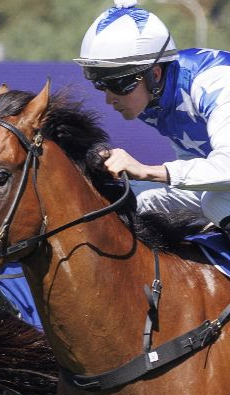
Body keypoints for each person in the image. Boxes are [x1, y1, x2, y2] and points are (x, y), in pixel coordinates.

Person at [75, 0, 230, 236]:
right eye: (100, 84)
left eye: (117, 84)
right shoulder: (152, 96)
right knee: (129, 197)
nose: (109, 99)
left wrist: (147, 170)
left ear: (154, 74)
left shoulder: (216, 83)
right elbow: (193, 163)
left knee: (215, 203)